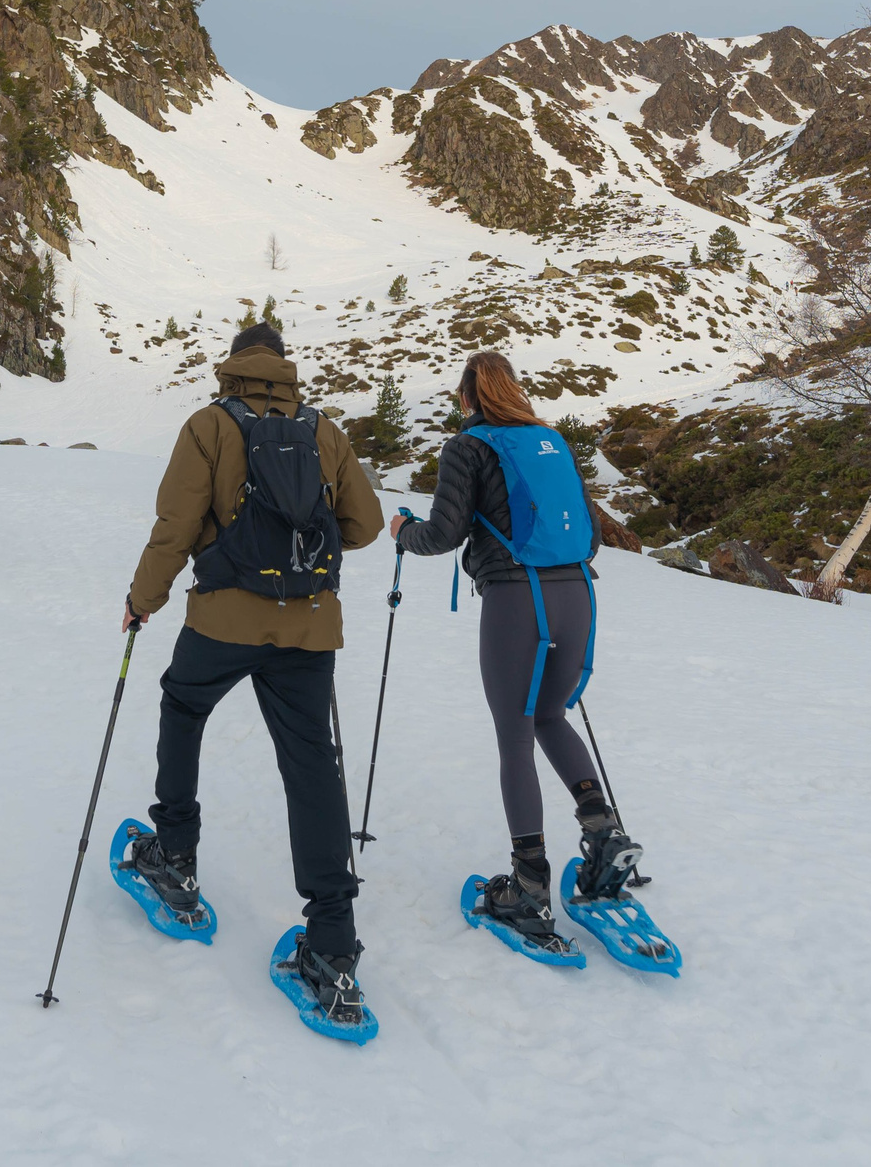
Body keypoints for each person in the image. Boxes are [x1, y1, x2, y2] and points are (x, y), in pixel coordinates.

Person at [119, 323, 385, 1030]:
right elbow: (365, 524)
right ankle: (332, 940)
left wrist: (143, 599)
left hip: (224, 618)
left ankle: (173, 854)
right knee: (311, 766)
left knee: (183, 707)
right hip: (308, 626)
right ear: (284, 368)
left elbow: (175, 526)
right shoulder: (323, 431)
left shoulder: (209, 424)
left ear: (234, 366)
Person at [390, 350, 641, 947]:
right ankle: (604, 836)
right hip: (577, 592)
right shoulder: (552, 442)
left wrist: (403, 533)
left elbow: (444, 534)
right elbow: (592, 532)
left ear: (467, 397)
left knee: (515, 730)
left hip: (515, 600)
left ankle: (528, 885)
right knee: (552, 715)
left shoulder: (467, 446)